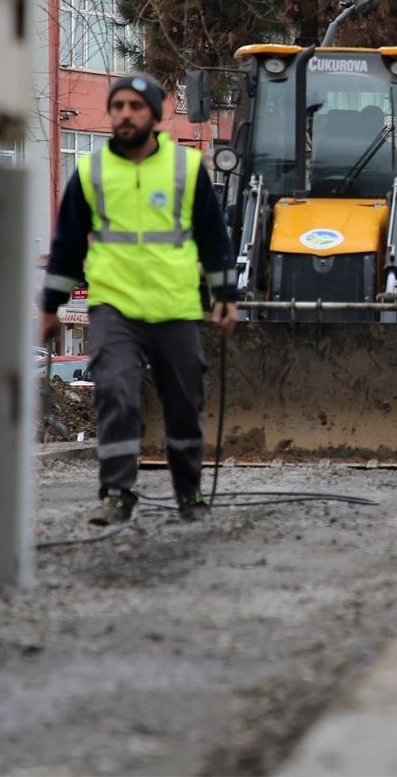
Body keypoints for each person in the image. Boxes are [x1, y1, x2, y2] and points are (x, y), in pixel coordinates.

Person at [39, 74, 239, 525]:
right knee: (116, 393)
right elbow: (68, 246)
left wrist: (225, 296)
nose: (125, 114)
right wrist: (50, 306)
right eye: (118, 106)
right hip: (114, 305)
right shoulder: (91, 173)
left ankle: (188, 493)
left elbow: (214, 238)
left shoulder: (187, 169)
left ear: (153, 114)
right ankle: (115, 494)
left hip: (175, 307)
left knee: (184, 401)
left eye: (135, 106)